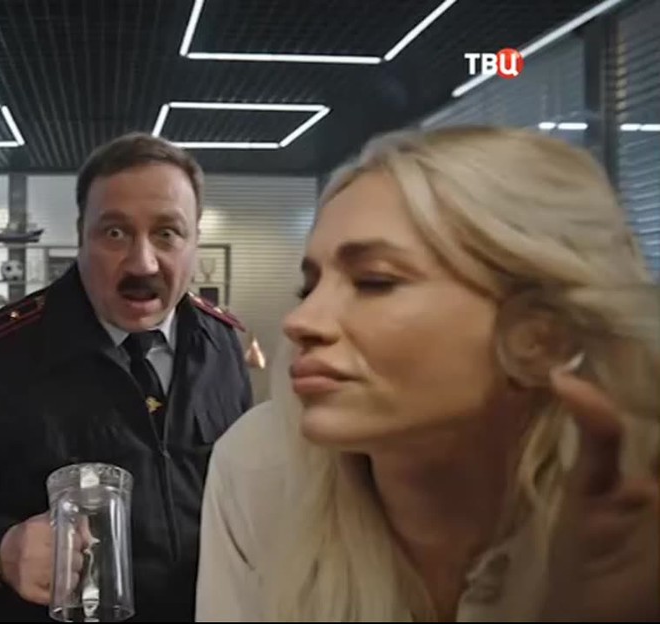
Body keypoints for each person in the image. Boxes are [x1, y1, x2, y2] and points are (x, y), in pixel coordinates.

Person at [195, 126, 660, 621]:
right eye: (308, 288)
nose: (300, 321)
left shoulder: (626, 517)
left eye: (374, 281)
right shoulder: (260, 471)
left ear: (543, 334)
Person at [0, 132, 253, 621]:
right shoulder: (2, 353)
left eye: (167, 233)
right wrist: (0, 550)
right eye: (115, 233)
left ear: (194, 241)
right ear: (81, 234)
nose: (142, 262)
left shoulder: (222, 344)